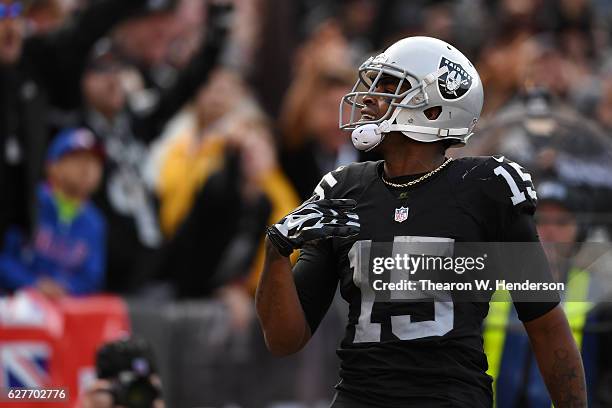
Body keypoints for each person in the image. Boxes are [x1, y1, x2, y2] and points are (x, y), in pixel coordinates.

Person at [256, 36, 586, 407]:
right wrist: (276, 253)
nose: (367, 99)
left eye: (388, 87)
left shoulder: (486, 188)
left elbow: (544, 323)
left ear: (433, 108)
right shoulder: (344, 188)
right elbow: (284, 340)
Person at [484, 179, 598, 407]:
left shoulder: (598, 295)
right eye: (539, 220)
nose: (549, 231)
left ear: (580, 230)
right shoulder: (491, 284)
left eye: (562, 222)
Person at [0, 128, 105, 298]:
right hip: (12, 304)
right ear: (52, 166)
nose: (88, 168)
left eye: (95, 162)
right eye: (77, 159)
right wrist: (33, 284)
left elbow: (91, 280)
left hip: (65, 311)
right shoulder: (26, 202)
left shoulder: (95, 222)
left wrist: (65, 289)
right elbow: (4, 259)